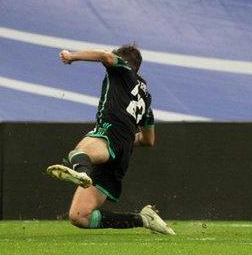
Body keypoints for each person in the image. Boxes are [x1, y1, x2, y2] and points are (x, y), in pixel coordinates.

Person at [46, 44, 175, 235]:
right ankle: (144, 219)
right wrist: (124, 142)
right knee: (80, 216)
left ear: (123, 60)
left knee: (79, 153)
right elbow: (148, 140)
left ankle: (82, 172)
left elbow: (104, 56)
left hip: (110, 132)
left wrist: (71, 56)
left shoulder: (122, 69)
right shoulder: (146, 98)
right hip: (123, 151)